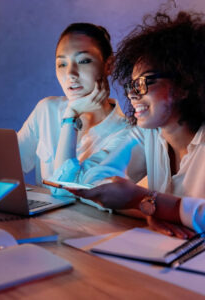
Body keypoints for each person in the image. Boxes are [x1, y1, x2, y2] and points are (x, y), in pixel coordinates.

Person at [69, 11, 205, 237]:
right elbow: (90, 183)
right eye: (131, 86)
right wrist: (149, 209)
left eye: (142, 83)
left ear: (184, 83)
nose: (132, 95)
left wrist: (144, 200)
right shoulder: (148, 134)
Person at [17, 23, 130, 203]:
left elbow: (65, 190)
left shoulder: (126, 134)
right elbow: (7, 167)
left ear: (108, 65)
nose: (70, 73)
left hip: (91, 228)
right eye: (62, 64)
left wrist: (71, 117)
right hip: (41, 223)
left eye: (83, 61)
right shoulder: (46, 110)